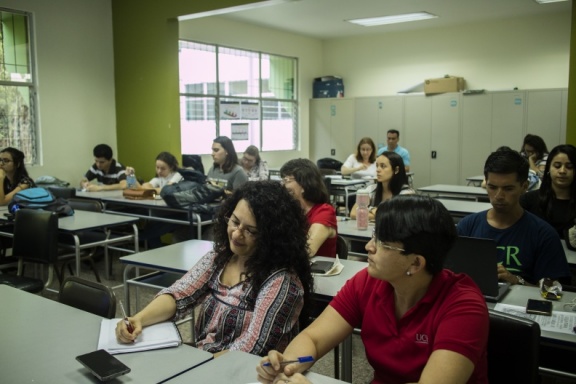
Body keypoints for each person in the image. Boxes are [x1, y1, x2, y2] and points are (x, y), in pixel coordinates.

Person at [257, 195, 489, 384]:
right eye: (373, 236)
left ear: (416, 263)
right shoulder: (368, 282)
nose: (368, 247)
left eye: (381, 243)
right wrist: (288, 365)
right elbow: (313, 338)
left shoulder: (463, 306)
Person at [116, 181, 314, 357]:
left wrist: (196, 364)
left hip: (243, 374)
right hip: (205, 359)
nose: (237, 234)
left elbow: (252, 348)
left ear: (273, 237)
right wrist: (139, 319)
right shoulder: (220, 257)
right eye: (235, 221)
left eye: (250, 231)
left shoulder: (282, 281)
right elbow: (180, 294)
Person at [457, 149, 571, 286]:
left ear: (524, 187)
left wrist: (516, 281)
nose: (498, 196)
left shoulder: (543, 235)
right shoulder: (467, 227)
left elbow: (554, 292)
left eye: (508, 189)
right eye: (492, 187)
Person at [125, 151, 184, 249]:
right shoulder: (159, 178)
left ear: (171, 167)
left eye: (163, 168)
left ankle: (142, 241)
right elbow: (142, 188)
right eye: (157, 167)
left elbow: (165, 190)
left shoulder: (177, 175)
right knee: (150, 226)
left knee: (151, 229)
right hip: (164, 212)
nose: (159, 171)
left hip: (178, 213)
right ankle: (154, 250)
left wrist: (146, 189)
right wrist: (131, 177)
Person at [280, 158, 337, 258]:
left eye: (287, 180)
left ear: (304, 184)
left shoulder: (324, 211)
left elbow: (307, 250)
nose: (283, 185)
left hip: (317, 271)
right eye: (283, 180)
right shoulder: (290, 211)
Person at [520, 144, 576, 239]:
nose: (562, 171)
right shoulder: (528, 200)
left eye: (569, 167)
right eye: (557, 166)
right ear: (549, 168)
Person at [350, 152, 414, 220]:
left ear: (396, 170)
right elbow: (353, 213)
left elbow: (396, 217)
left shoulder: (406, 193)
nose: (378, 170)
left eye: (383, 166)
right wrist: (375, 212)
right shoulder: (371, 189)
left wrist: (372, 210)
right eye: (377, 166)